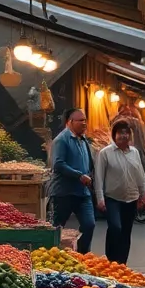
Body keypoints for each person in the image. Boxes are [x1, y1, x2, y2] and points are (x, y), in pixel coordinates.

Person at [94, 121, 145, 264]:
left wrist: (144, 194)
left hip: (131, 198)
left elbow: (140, 175)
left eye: (126, 132)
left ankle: (122, 263)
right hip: (112, 198)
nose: (124, 136)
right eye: (120, 133)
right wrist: (100, 199)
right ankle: (111, 260)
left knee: (126, 231)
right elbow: (98, 178)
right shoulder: (105, 153)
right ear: (114, 135)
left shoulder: (135, 152)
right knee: (115, 227)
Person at [52, 108, 98, 253]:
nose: (84, 123)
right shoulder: (61, 140)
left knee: (89, 224)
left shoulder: (83, 140)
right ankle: (51, 255)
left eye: (85, 120)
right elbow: (58, 164)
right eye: (80, 121)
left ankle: (83, 255)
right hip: (64, 193)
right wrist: (79, 175)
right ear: (70, 122)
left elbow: (89, 163)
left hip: (83, 193)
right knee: (57, 227)